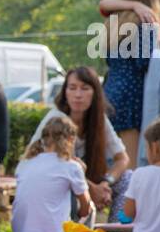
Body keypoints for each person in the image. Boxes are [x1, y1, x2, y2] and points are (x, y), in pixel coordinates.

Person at [31, 67, 131, 219]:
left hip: (84, 179)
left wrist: (105, 183)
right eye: (72, 88)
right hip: (54, 180)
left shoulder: (99, 119)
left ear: (95, 94)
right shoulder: (57, 119)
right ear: (65, 92)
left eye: (85, 89)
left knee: (128, 178)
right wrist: (93, 189)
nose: (78, 95)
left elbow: (122, 158)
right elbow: (63, 167)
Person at [101, 0, 160, 168]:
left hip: (109, 91)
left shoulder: (114, 21)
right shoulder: (146, 22)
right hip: (132, 96)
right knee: (129, 165)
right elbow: (143, 63)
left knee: (110, 160)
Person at [11, 114, 92, 232]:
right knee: (75, 196)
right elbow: (86, 208)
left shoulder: (24, 163)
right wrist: (82, 173)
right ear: (71, 139)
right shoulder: (71, 166)